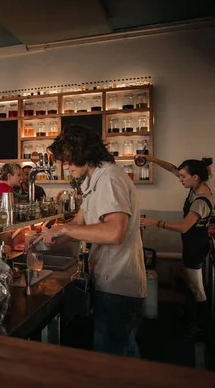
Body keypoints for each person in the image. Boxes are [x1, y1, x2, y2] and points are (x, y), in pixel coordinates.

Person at [35, 125, 146, 358]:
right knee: (120, 349)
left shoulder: (109, 179)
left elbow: (114, 233)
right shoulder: (93, 179)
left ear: (84, 153)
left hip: (118, 283)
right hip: (108, 277)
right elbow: (81, 222)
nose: (64, 166)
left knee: (114, 360)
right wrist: (50, 236)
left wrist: (64, 228)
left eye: (67, 160)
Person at [140, 155, 214, 336]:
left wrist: (154, 222)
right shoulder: (196, 186)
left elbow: (183, 227)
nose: (179, 179)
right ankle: (190, 317)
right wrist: (150, 158)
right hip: (192, 244)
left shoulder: (200, 201)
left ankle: (203, 328)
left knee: (197, 288)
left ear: (194, 177)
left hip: (196, 247)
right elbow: (172, 168)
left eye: (183, 177)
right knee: (191, 284)